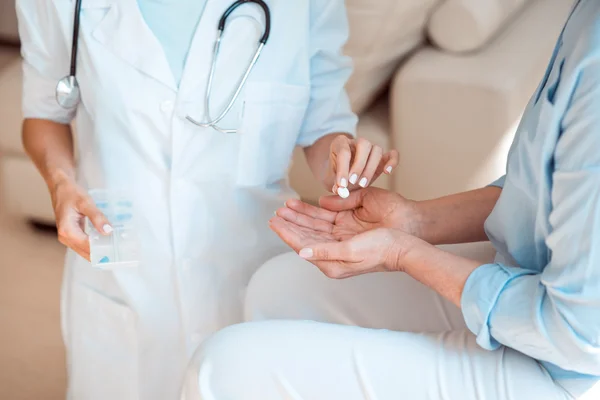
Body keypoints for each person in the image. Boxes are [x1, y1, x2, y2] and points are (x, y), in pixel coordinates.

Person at [180, 0, 600, 399]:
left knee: (222, 370)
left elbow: (575, 335)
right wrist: (414, 220)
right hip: (532, 280)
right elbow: (540, 194)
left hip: (563, 364)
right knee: (277, 289)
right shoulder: (584, 18)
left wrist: (404, 253)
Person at [15, 0, 399, 399]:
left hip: (248, 267)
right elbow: (44, 113)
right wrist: (61, 183)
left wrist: (344, 162)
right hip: (122, 264)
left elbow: (323, 126)